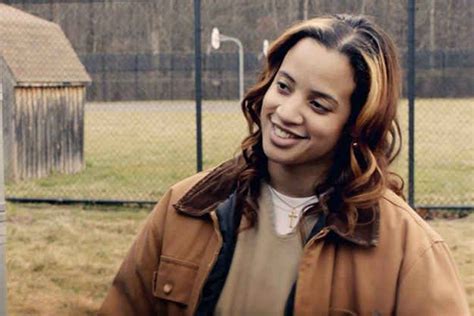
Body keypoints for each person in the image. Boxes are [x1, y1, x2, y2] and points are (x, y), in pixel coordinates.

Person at [99, 14, 469, 315]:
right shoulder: (185, 208)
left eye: (319, 105)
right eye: (284, 86)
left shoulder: (411, 253)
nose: (287, 112)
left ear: (357, 124)